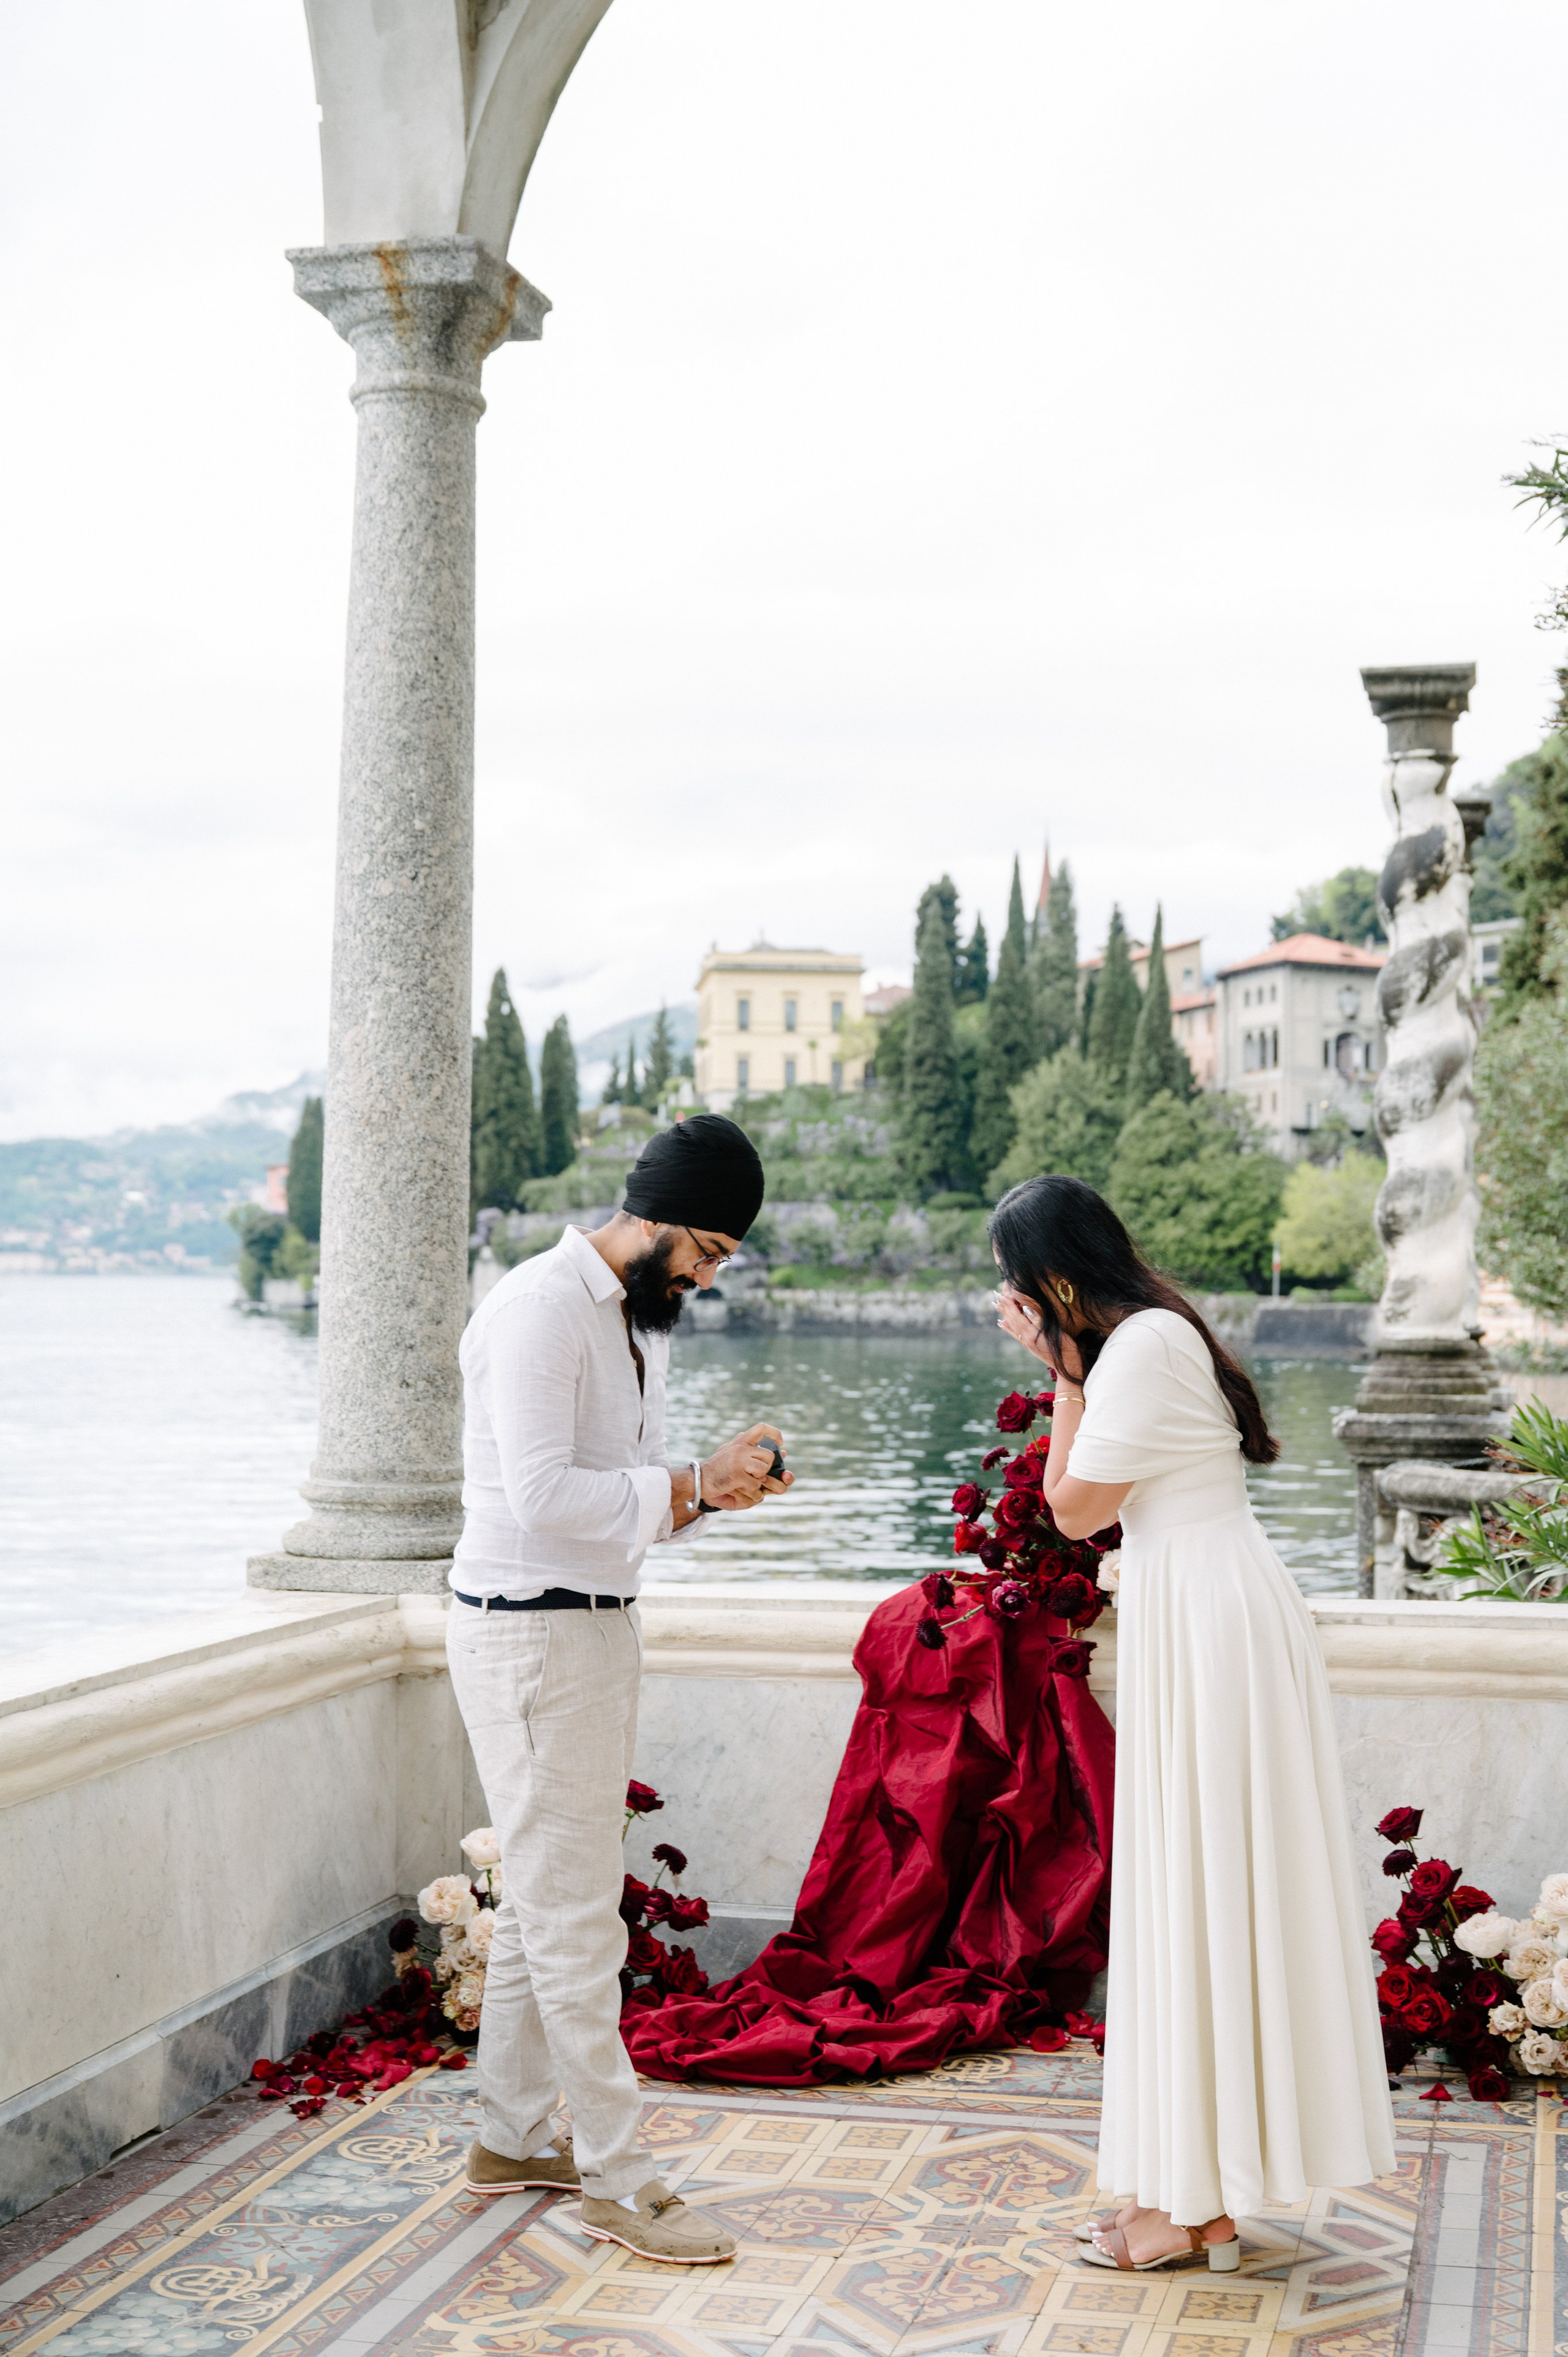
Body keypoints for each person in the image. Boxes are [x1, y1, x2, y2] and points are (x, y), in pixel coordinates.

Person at [990, 1173, 1393, 2276]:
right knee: (1189, 1898)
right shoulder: (1151, 1339)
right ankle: (1189, 2194)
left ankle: (1196, 2200)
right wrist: (1070, 1366)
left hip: (1213, 1627)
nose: (1012, 1304)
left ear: (1055, 1280)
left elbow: (1073, 1512)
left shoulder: (1139, 1349)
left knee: (1205, 1896)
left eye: (1016, 1287)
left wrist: (1057, 1372)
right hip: (1198, 1614)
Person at [445, 1112, 791, 2265]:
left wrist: (710, 1493)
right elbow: (545, 1500)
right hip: (532, 1643)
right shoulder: (539, 1311)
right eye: (706, 1251)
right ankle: (619, 2178)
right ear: (655, 1217)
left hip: (586, 1631)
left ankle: (506, 2138)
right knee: (574, 1917)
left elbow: (618, 1504)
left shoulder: (631, 1322)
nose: (704, 1276)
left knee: (560, 1900)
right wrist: (687, 1480)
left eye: (720, 1260)